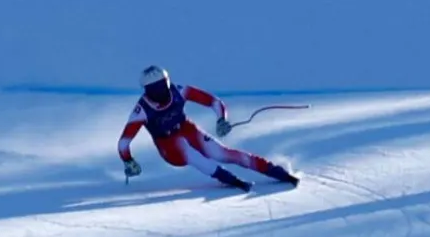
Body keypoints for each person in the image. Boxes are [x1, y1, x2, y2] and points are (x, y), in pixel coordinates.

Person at [118, 65, 299, 191]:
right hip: (168, 144)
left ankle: (273, 170)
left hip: (186, 128)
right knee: (190, 153)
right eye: (154, 89)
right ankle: (226, 177)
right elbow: (123, 143)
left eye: (162, 86)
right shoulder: (142, 111)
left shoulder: (179, 91)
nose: (160, 93)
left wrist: (221, 119)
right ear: (147, 91)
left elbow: (213, 101)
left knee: (222, 153)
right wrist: (128, 161)